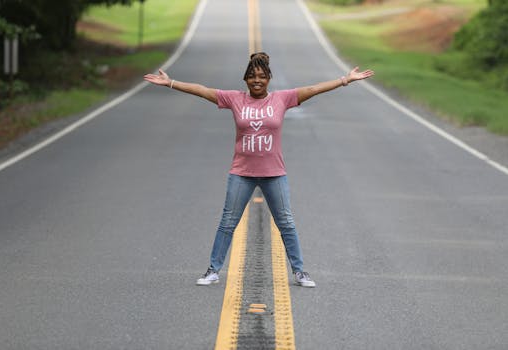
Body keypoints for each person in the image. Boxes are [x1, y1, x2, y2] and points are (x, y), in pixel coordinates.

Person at [144, 52, 374, 288]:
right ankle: (213, 270)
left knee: (286, 223)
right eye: (252, 76)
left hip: (274, 173)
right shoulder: (234, 99)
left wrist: (345, 79)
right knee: (227, 222)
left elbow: (314, 88)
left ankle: (299, 271)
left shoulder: (282, 99)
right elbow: (202, 90)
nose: (257, 80)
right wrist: (170, 83)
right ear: (245, 79)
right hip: (241, 173)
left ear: (269, 79)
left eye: (262, 77)